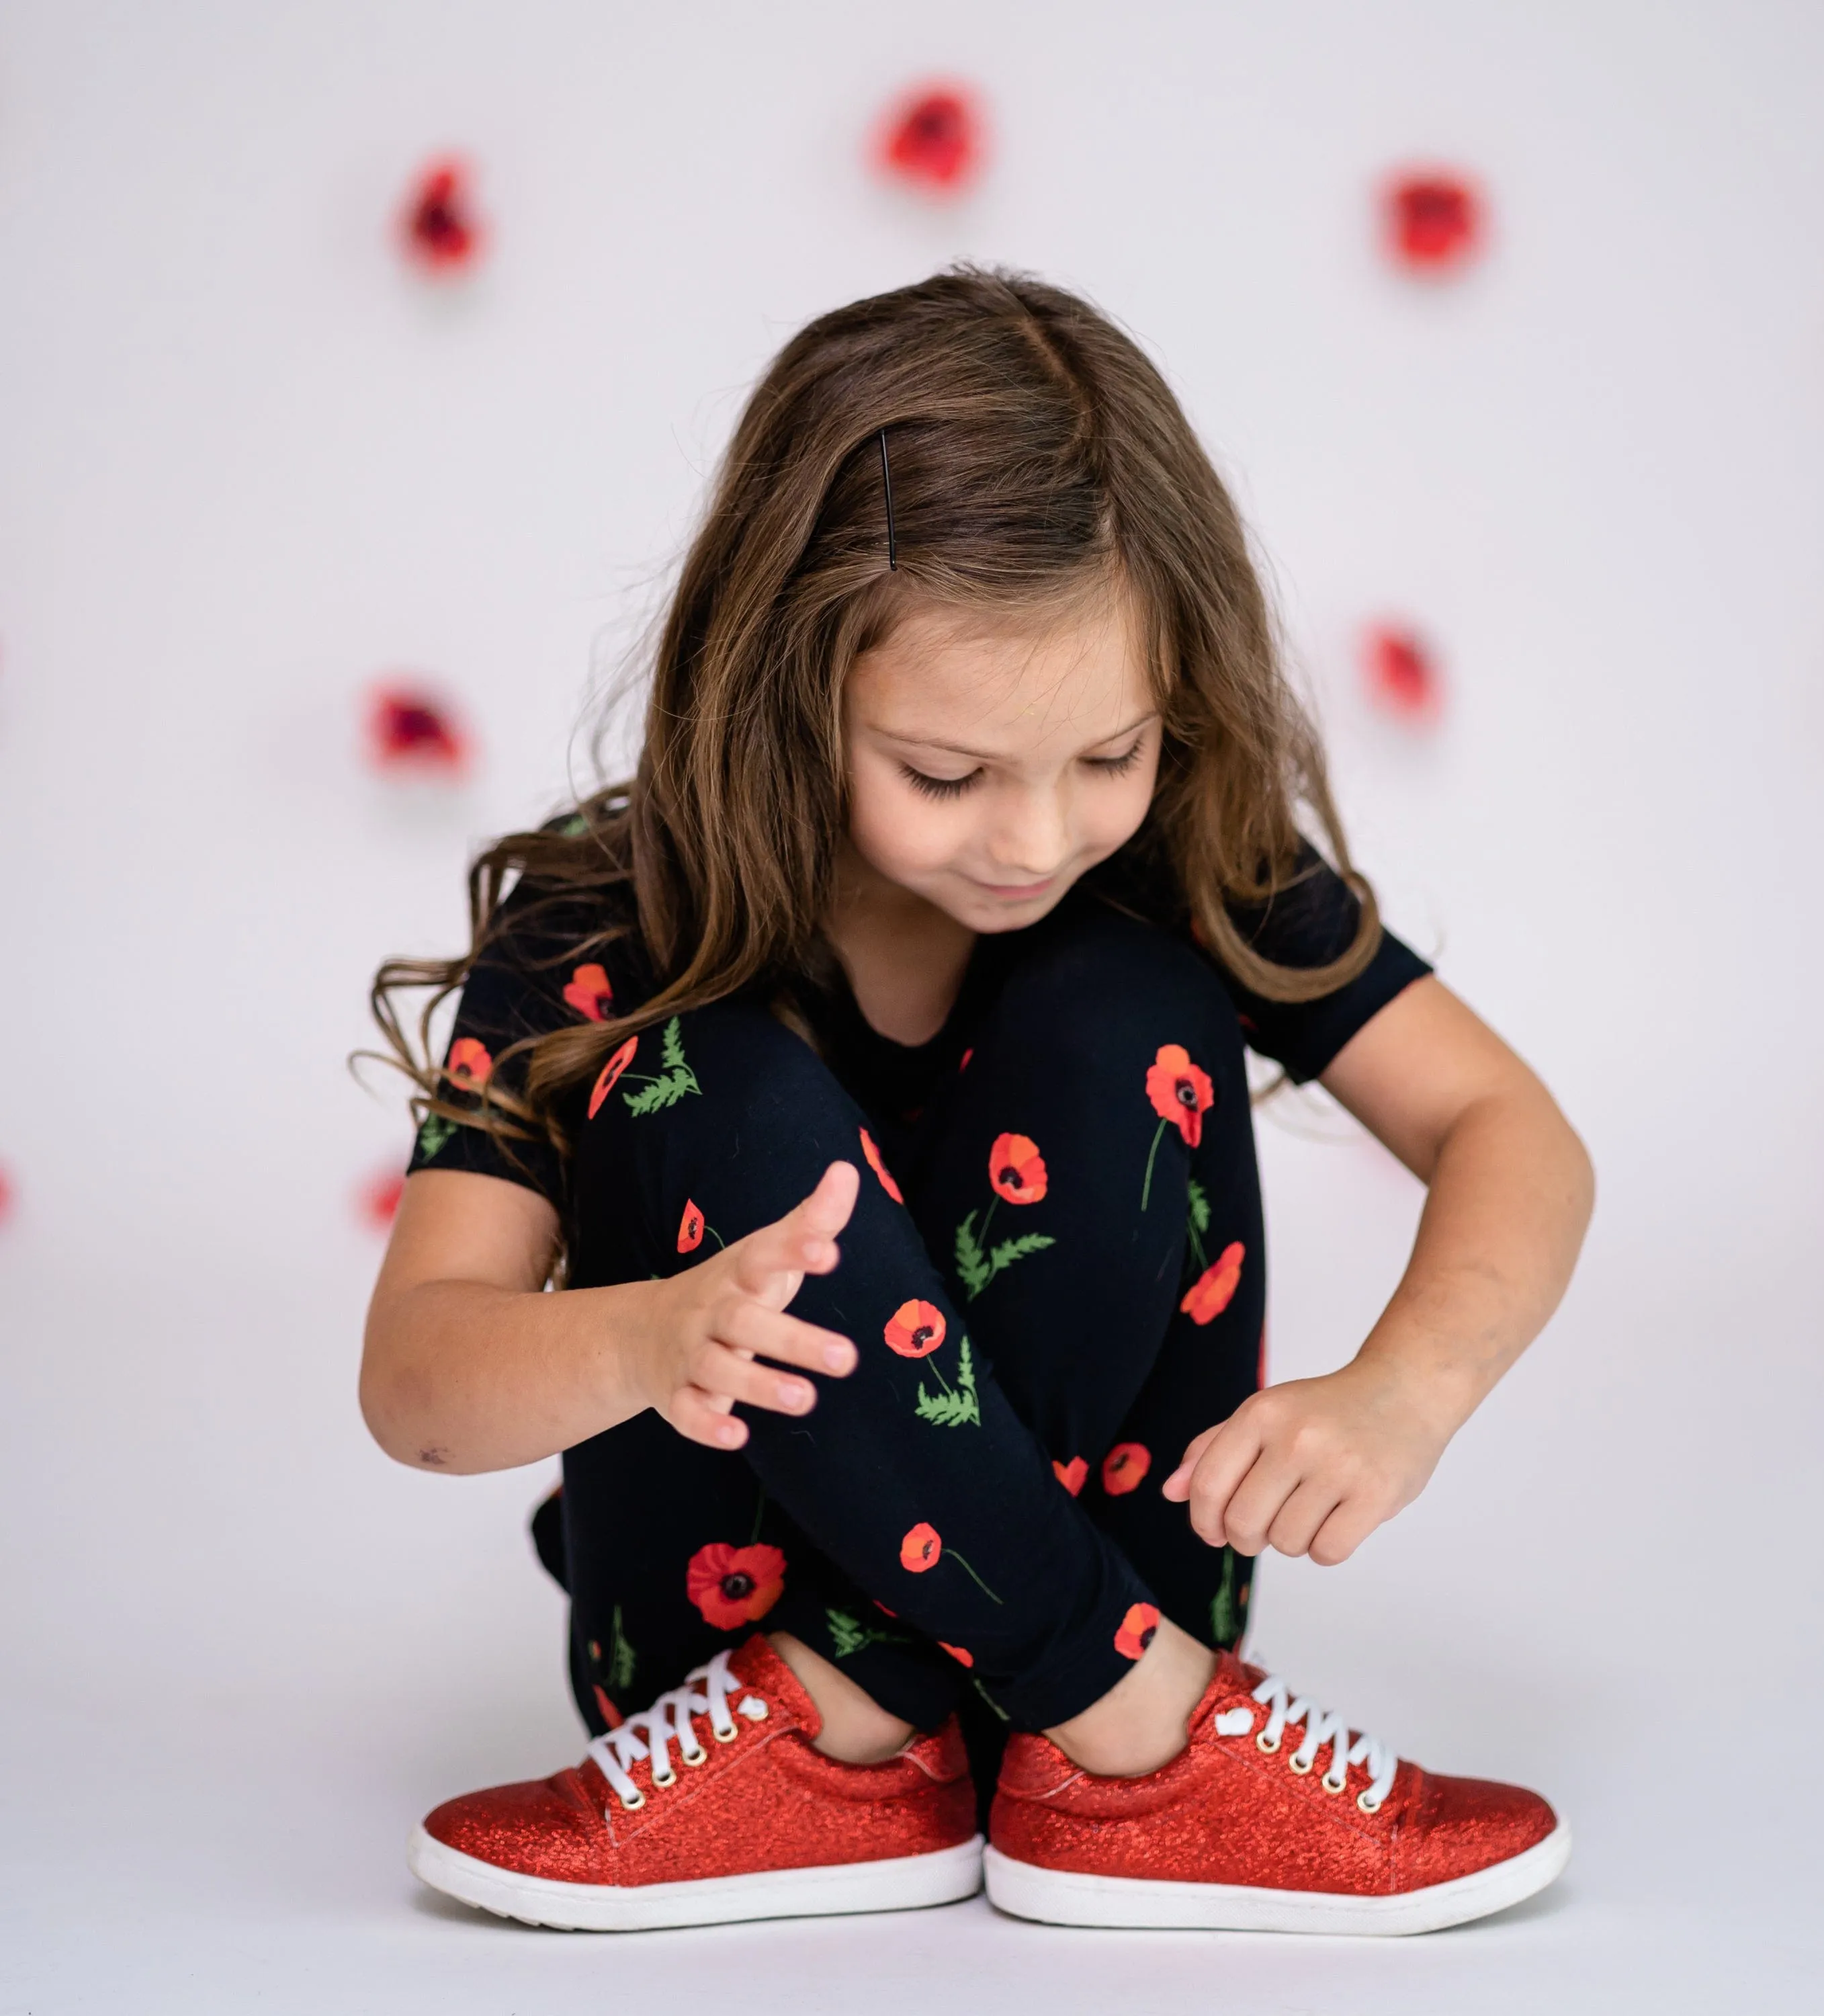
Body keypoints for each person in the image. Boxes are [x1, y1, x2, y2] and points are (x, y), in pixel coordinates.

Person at [361, 267, 1594, 1937]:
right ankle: (1114, 1748)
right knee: (698, 1070)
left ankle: (1008, 1718)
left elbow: (1509, 1131)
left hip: (1115, 1588)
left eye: (1110, 755)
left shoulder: (1185, 865)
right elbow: (417, 1377)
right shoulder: (602, 916)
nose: (1032, 837)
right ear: (789, 696)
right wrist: (643, 1339)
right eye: (946, 774)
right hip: (721, 1665)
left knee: (1131, 994)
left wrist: (1406, 1390)